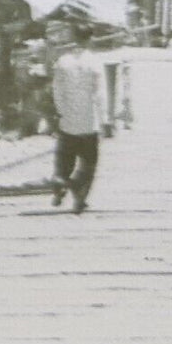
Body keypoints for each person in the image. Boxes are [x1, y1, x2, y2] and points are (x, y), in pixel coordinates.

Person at [51, 22, 107, 213]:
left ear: (73, 37)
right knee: (89, 163)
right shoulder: (95, 62)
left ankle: (62, 181)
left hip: (67, 120)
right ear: (90, 39)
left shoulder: (62, 61)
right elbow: (100, 93)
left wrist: (61, 111)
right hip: (89, 121)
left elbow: (56, 91)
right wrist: (105, 119)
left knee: (65, 158)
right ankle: (79, 194)